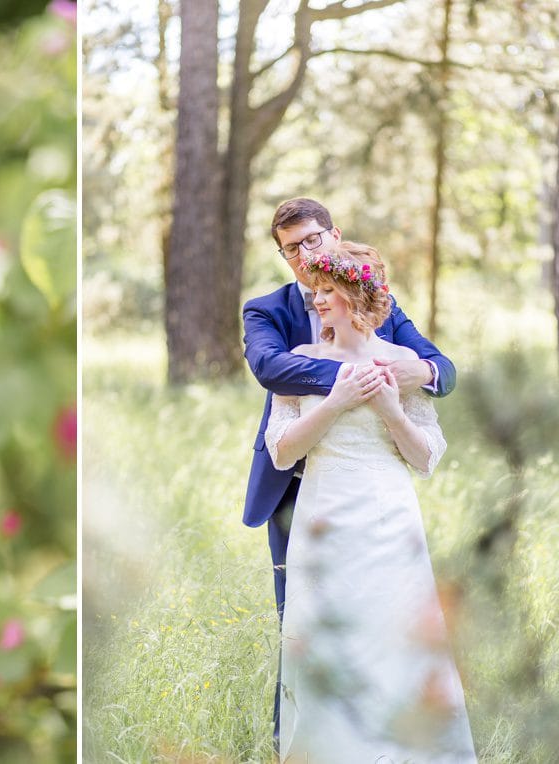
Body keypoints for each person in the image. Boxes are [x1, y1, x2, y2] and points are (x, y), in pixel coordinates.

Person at [240, 198, 456, 750]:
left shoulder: (381, 304)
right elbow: (271, 368)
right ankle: (299, 742)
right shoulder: (268, 310)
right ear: (284, 257)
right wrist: (353, 375)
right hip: (299, 491)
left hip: (381, 497)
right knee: (304, 622)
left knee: (388, 619)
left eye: (314, 240)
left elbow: (439, 368)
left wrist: (422, 370)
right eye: (293, 248)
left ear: (334, 236)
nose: (307, 255)